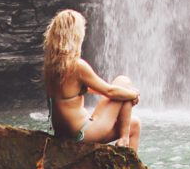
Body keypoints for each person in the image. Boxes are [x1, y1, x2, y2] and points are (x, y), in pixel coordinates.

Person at [42, 8, 141, 150]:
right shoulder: (77, 65)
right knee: (123, 82)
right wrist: (133, 95)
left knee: (134, 124)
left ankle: (126, 146)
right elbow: (110, 91)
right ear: (76, 35)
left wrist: (124, 94)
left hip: (66, 134)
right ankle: (124, 139)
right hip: (83, 134)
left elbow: (85, 89)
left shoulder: (51, 66)